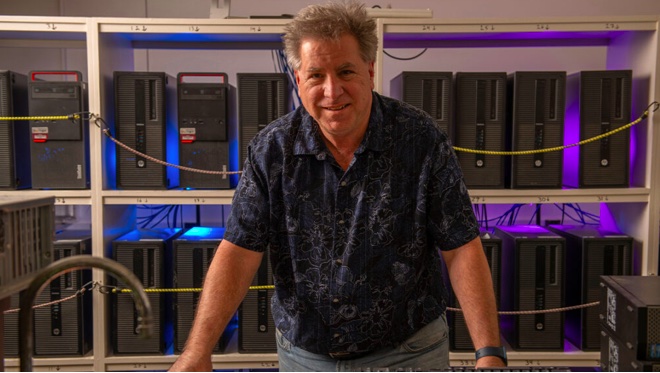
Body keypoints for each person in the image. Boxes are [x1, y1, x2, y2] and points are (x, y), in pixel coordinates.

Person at [170, 0, 505, 371]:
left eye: (346, 71)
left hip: (409, 353)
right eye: (316, 75)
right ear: (298, 81)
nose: (332, 91)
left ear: (370, 70)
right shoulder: (271, 150)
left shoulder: (420, 139)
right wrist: (197, 352)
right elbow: (238, 250)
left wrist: (489, 352)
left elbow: (460, 246)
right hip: (306, 358)